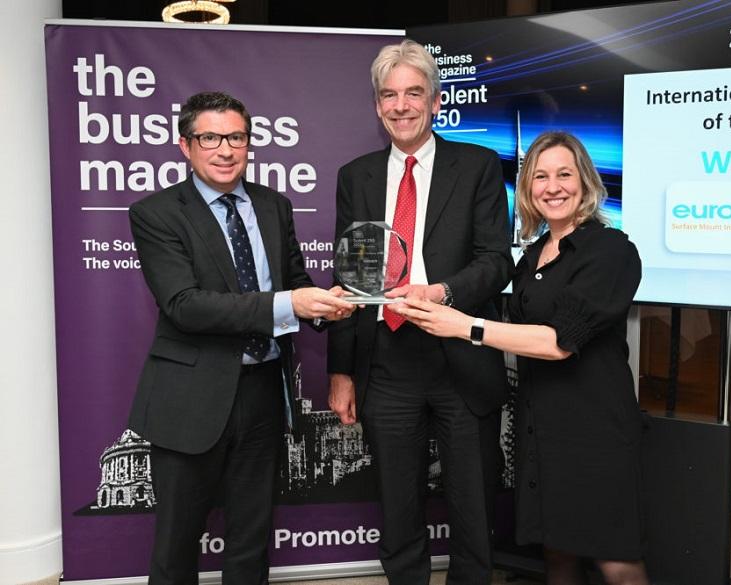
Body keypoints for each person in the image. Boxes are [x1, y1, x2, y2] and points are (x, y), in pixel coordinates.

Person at [394, 131, 648, 585]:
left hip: (595, 428)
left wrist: (464, 326)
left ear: (586, 181)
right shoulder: (531, 257)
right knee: (558, 552)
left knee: (615, 559)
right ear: (528, 190)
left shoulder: (611, 250)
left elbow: (558, 342)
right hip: (542, 423)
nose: (553, 187)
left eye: (564, 174)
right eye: (540, 177)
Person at [128, 91, 355, 585]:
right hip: (191, 400)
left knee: (251, 544)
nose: (225, 149)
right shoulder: (157, 213)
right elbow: (184, 305)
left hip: (263, 394)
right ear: (185, 145)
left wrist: (327, 303)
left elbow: (294, 282)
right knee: (175, 549)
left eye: (236, 137)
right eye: (210, 138)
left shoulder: (274, 205)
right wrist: (288, 305)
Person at [327, 40, 513, 585]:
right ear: (377, 105)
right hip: (387, 361)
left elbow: (496, 260)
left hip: (461, 354)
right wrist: (340, 370)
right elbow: (350, 281)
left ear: (435, 101)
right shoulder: (355, 176)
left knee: (473, 506)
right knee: (397, 504)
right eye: (389, 95)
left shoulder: (477, 165)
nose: (401, 105)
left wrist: (443, 293)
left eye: (413, 93)